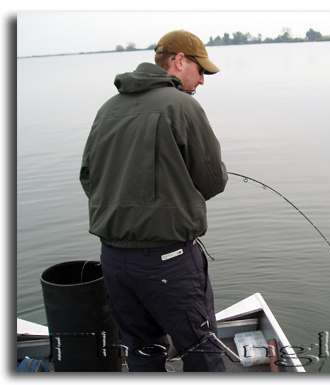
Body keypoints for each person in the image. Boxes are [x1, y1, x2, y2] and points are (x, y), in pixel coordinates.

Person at [79, 30, 228, 372]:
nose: (202, 80)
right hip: (169, 262)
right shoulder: (182, 106)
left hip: (114, 262)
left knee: (142, 353)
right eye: (201, 69)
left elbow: (89, 178)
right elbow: (213, 181)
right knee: (203, 354)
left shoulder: (108, 109)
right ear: (179, 61)